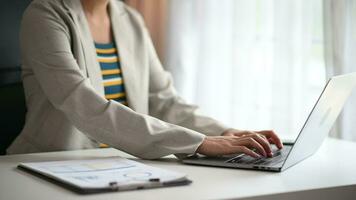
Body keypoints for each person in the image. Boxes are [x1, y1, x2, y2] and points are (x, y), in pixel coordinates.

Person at [7, 0, 283, 159]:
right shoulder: (44, 15)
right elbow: (84, 105)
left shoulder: (130, 19)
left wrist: (223, 132)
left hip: (120, 164)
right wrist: (197, 142)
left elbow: (163, 100)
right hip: (49, 164)